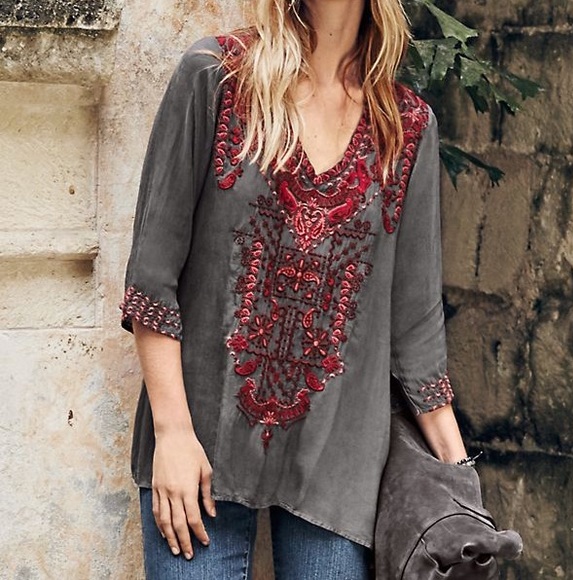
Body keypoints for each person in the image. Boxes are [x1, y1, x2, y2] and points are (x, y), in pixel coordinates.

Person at [121, 0, 470, 577]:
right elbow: (152, 279)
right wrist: (172, 434)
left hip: (337, 470)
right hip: (198, 446)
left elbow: (415, 330)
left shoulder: (405, 127)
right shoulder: (217, 77)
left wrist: (461, 488)